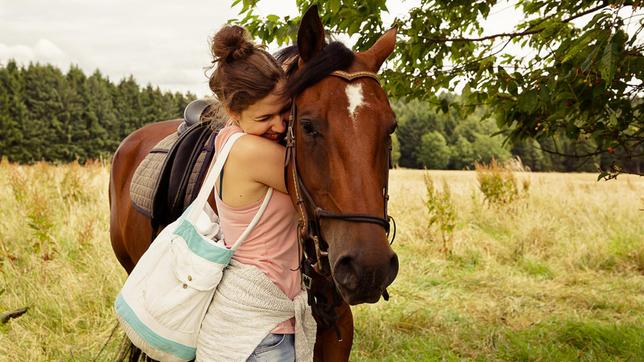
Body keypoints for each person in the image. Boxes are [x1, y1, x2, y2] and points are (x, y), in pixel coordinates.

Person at [195, 25, 316, 362]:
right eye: (265, 117)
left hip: (242, 324)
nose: (279, 126)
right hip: (261, 336)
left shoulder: (229, 138)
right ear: (233, 113)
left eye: (285, 111)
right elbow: (321, 180)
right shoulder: (250, 151)